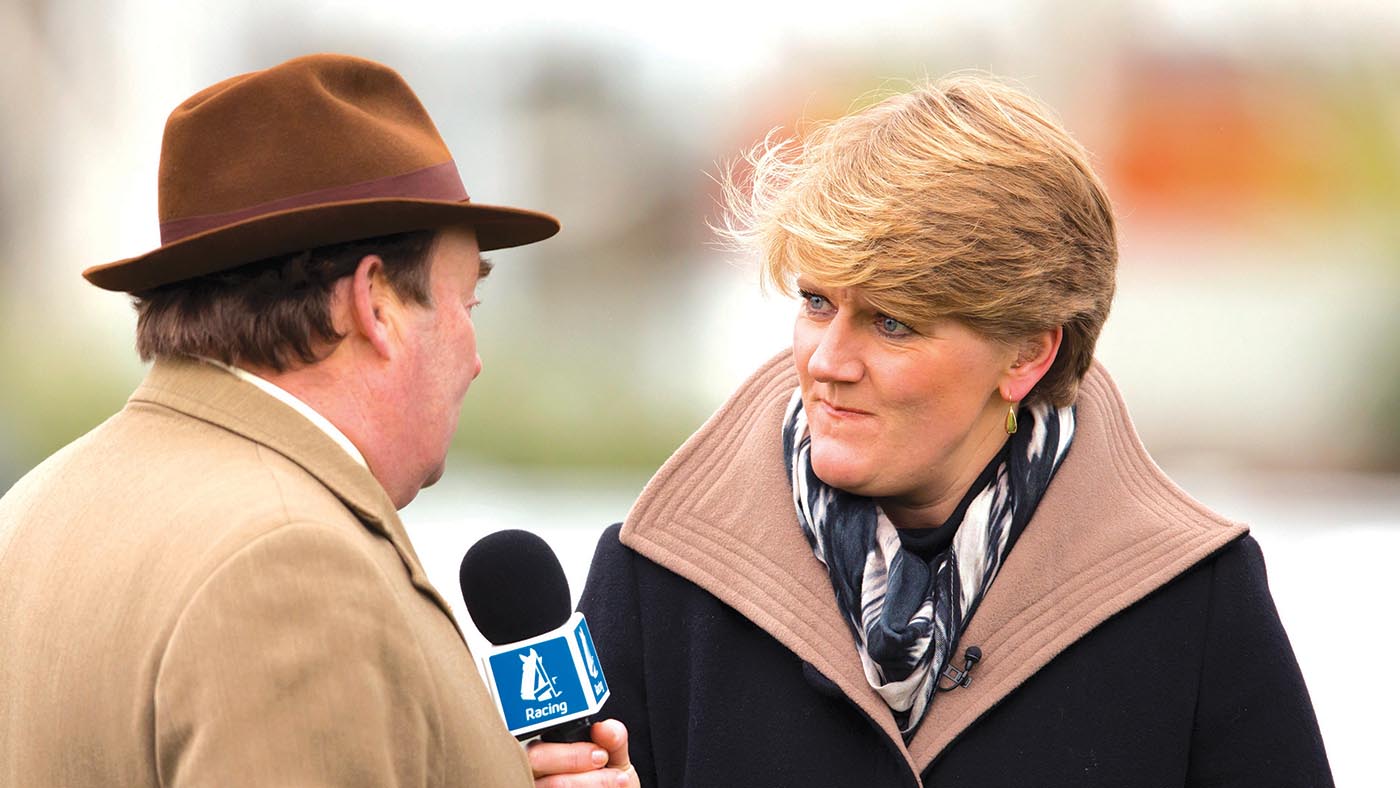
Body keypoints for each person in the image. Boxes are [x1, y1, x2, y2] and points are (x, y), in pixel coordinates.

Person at [578, 76, 1333, 786]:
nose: (828, 361)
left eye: (892, 322)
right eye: (815, 302)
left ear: (1031, 352)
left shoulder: (1188, 600)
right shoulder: (659, 582)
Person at [0, 53, 636, 788]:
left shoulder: (32, 512)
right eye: (468, 306)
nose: (476, 359)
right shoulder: (292, 562)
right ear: (376, 304)